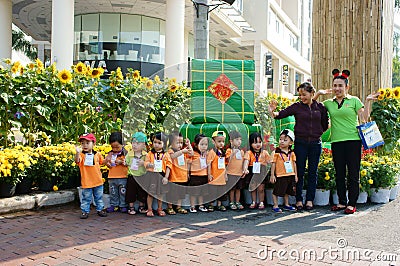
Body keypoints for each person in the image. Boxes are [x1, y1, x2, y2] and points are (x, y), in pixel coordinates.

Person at [314, 69, 378, 214]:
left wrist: (367, 101)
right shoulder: (329, 103)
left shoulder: (354, 100)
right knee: (339, 173)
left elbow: (364, 119)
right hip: (336, 142)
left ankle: (352, 203)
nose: (337, 88)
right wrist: (319, 94)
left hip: (354, 141)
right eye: (335, 85)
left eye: (340, 86)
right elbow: (312, 105)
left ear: (346, 87)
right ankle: (342, 202)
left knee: (353, 174)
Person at [269, 82, 329, 211]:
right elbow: (281, 114)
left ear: (312, 93)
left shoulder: (321, 107)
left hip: (315, 144)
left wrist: (316, 133)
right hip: (300, 143)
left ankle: (309, 200)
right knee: (299, 171)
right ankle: (299, 199)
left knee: (313, 172)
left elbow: (325, 124)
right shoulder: (297, 107)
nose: (302, 97)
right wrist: (272, 112)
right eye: (300, 95)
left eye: (304, 94)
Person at [75, 133, 108, 219]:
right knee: (86, 198)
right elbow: (77, 161)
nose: (85, 145)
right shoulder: (82, 155)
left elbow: (102, 162)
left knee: (99, 197)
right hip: (87, 182)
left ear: (93, 144)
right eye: (82, 143)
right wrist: (77, 153)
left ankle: (100, 209)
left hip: (98, 181)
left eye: (87, 143)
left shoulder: (97, 154)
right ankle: (85, 211)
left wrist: (107, 159)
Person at [164, 132, 193, 215]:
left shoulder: (183, 151)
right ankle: (170, 207)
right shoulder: (170, 151)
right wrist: (182, 151)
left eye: (181, 143)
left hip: (183, 177)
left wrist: (189, 144)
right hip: (174, 177)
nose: (180, 145)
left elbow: (191, 153)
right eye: (177, 143)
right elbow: (172, 157)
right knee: (172, 193)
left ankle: (178, 206)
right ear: (171, 143)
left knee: (181, 194)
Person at [270, 129, 298, 213]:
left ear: (291, 143)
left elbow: (294, 164)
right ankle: (275, 205)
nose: (282, 141)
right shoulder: (276, 153)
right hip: (280, 175)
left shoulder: (292, 153)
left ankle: (287, 204)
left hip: (290, 174)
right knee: (277, 190)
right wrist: (272, 175)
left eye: (285, 140)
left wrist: (295, 175)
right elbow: (273, 164)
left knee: (287, 190)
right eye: (280, 139)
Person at [243, 132, 271, 209]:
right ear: (251, 143)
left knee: (261, 188)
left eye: (259, 142)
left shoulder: (264, 152)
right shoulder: (249, 153)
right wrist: (245, 169)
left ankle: (261, 202)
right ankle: (254, 202)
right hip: (252, 171)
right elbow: (246, 161)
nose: (258, 144)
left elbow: (270, 161)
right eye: (255, 143)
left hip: (262, 171)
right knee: (253, 188)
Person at [144, 132, 169, 217]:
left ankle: (160, 208)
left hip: (161, 175)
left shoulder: (166, 154)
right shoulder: (150, 154)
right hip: (151, 175)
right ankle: (149, 209)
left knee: (160, 193)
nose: (156, 145)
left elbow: (169, 166)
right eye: (155, 142)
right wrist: (148, 164)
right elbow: (146, 162)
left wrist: (166, 177)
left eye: (159, 143)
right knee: (150, 193)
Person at [104, 132, 128, 213]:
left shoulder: (126, 153)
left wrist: (122, 162)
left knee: (123, 192)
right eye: (113, 147)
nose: (115, 149)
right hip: (112, 176)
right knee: (113, 192)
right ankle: (114, 205)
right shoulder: (110, 154)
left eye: (117, 147)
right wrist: (107, 163)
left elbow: (129, 163)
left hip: (123, 176)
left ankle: (123, 205)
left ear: (123, 144)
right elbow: (106, 162)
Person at [125, 132, 148, 215]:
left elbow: (148, 164)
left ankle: (141, 207)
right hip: (132, 176)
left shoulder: (145, 155)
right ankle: (131, 207)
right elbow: (126, 162)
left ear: (143, 145)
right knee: (131, 192)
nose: (134, 145)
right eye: (133, 142)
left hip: (142, 176)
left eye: (137, 143)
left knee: (142, 192)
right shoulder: (129, 154)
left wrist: (144, 163)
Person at [226, 131, 248, 210]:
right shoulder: (229, 150)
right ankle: (231, 202)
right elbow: (227, 160)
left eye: (240, 139)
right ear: (231, 141)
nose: (239, 141)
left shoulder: (241, 151)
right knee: (232, 189)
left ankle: (238, 202)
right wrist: (233, 153)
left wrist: (244, 170)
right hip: (231, 173)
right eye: (237, 139)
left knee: (238, 188)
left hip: (239, 173)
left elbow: (243, 161)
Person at [207, 131, 229, 211]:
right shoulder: (212, 152)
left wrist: (225, 174)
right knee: (212, 191)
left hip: (221, 177)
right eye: (219, 141)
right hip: (214, 176)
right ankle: (211, 204)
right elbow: (209, 164)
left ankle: (219, 204)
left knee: (221, 191)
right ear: (213, 141)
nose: (221, 144)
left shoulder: (223, 152)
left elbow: (224, 164)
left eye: (223, 141)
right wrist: (209, 174)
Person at [188, 134, 209, 213]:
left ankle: (201, 205)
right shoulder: (194, 154)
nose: (204, 146)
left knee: (202, 192)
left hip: (204, 175)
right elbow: (189, 161)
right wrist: (188, 173)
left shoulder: (206, 154)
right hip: (195, 176)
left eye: (206, 144)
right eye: (202, 144)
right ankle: (192, 206)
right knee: (193, 192)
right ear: (196, 145)